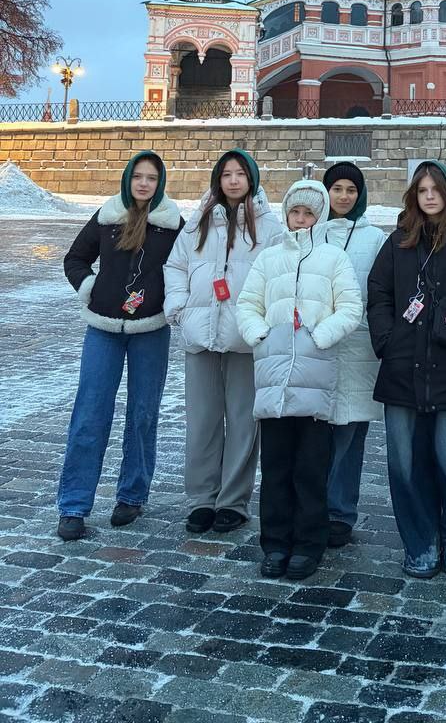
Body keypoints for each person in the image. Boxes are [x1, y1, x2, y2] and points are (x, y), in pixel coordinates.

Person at [366, 160, 446, 579]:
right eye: (422, 191)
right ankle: (420, 541)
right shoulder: (399, 241)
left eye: (436, 189)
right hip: (403, 369)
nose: (430, 197)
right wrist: (386, 339)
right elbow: (379, 292)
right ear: (414, 197)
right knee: (405, 463)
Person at [236, 180, 362, 582]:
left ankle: (309, 544)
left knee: (310, 468)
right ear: (287, 213)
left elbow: (350, 307)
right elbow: (247, 303)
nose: (301, 219)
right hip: (274, 378)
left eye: (309, 212)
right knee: (275, 468)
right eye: (296, 211)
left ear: (319, 215)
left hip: (316, 377)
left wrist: (319, 336)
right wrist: (260, 333)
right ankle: (274, 543)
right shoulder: (269, 258)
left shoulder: (332, 258)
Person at [57, 151, 183, 541]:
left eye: (151, 178)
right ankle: (74, 505)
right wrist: (91, 288)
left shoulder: (173, 224)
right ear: (128, 179)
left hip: (150, 330)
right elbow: (75, 258)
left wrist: (170, 301)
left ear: (160, 183)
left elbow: (188, 267)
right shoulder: (108, 216)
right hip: (103, 329)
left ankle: (132, 495)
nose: (144, 184)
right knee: (90, 413)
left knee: (143, 414)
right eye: (138, 177)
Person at [163, 149, 283, 535]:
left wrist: (263, 323)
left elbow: (278, 278)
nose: (233, 180)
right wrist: (178, 308)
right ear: (217, 179)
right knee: (202, 421)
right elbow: (176, 265)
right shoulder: (197, 221)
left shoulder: (268, 226)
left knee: (244, 423)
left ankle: (233, 500)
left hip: (246, 339)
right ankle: (201, 498)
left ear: (252, 178)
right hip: (200, 335)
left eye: (240, 173)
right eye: (226, 173)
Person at [317, 162, 387, 547]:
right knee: (316, 432)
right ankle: (312, 506)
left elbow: (379, 293)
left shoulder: (375, 237)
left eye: (351, 190)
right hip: (315, 345)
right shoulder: (312, 229)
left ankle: (340, 511)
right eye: (337, 188)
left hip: (358, 345)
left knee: (349, 434)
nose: (343, 196)